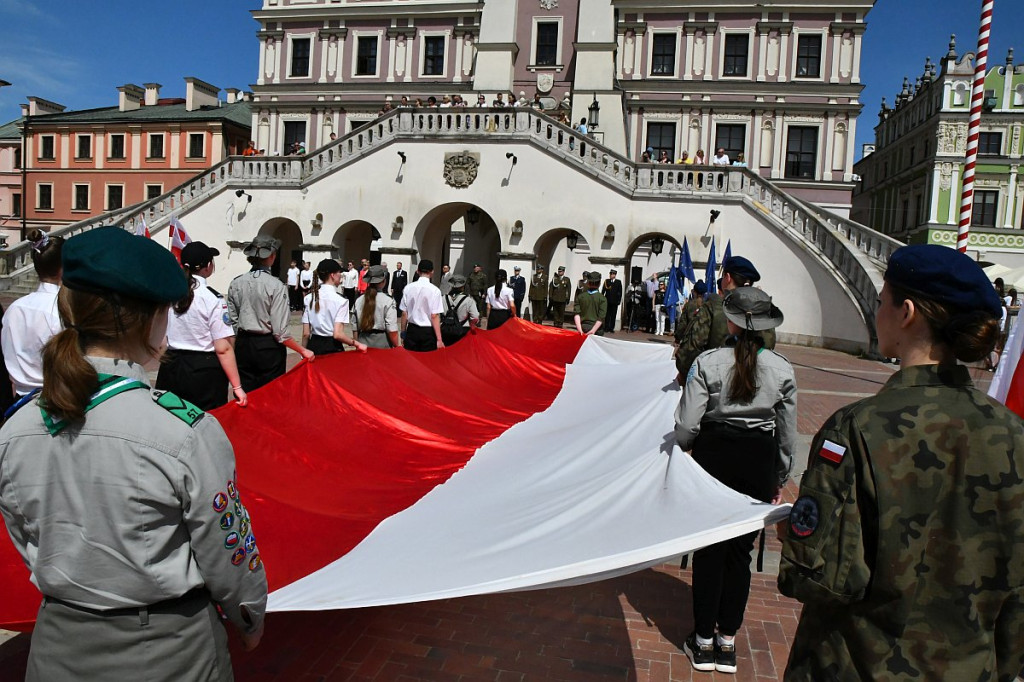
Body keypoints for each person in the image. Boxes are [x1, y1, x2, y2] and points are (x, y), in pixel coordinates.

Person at [0, 226, 267, 680]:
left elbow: (27, 538)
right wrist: (249, 614)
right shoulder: (184, 429)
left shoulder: (14, 429)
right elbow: (228, 549)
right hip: (166, 649)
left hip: (58, 642)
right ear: (151, 320)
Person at [778, 245, 1024, 680]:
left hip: (859, 665)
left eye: (880, 301)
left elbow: (812, 577)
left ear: (906, 311)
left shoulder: (856, 429)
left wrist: (793, 530)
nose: (877, 312)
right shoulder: (1014, 434)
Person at [675, 287, 795, 675]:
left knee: (710, 551)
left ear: (731, 321)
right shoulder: (782, 368)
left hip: (715, 457)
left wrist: (687, 449)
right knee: (739, 555)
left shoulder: (708, 362)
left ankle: (703, 640)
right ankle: (727, 641)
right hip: (757, 460)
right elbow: (787, 435)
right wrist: (778, 476)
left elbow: (687, 424)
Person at [157, 242, 247, 411]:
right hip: (203, 370)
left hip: (172, 364)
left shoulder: (171, 293)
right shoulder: (212, 298)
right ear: (207, 266)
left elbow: (162, 338)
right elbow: (223, 348)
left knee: (171, 416)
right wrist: (237, 386)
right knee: (205, 420)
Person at [227, 235, 313, 392]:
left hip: (243, 344)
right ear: (272, 256)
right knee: (271, 393)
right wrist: (302, 350)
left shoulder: (236, 283)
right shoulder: (276, 285)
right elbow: (280, 332)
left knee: (247, 393)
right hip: (267, 347)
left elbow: (233, 322)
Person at [674, 255, 774, 379]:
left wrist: (685, 373)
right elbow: (769, 346)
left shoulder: (713, 306)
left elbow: (690, 350)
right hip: (754, 382)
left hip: (714, 382)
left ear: (727, 278)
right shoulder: (763, 308)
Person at [1, 229, 63, 400]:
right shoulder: (60, 309)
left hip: (19, 397)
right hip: (53, 398)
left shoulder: (15, 308)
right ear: (62, 269)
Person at [301, 258, 367, 355]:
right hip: (332, 346)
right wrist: (356, 343)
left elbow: (306, 333)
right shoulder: (341, 301)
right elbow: (338, 334)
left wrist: (303, 352)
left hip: (313, 344)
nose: (341, 275)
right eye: (339, 272)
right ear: (332, 275)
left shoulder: (308, 298)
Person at [400, 260, 444, 352]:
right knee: (427, 361)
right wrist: (439, 339)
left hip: (412, 329)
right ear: (432, 272)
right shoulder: (435, 290)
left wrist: (403, 332)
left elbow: (404, 313)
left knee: (411, 361)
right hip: (427, 331)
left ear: (418, 271)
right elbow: (434, 315)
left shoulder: (408, 288)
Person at [354, 264, 399, 349]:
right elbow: (391, 328)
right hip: (381, 342)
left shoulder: (359, 300)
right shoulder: (388, 300)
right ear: (383, 281)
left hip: (363, 340)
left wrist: (357, 344)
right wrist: (396, 345)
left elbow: (354, 326)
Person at [441, 274, 479, 346]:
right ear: (462, 286)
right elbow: (475, 317)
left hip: (446, 329)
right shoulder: (469, 300)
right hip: (462, 330)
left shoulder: (443, 298)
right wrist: (472, 324)